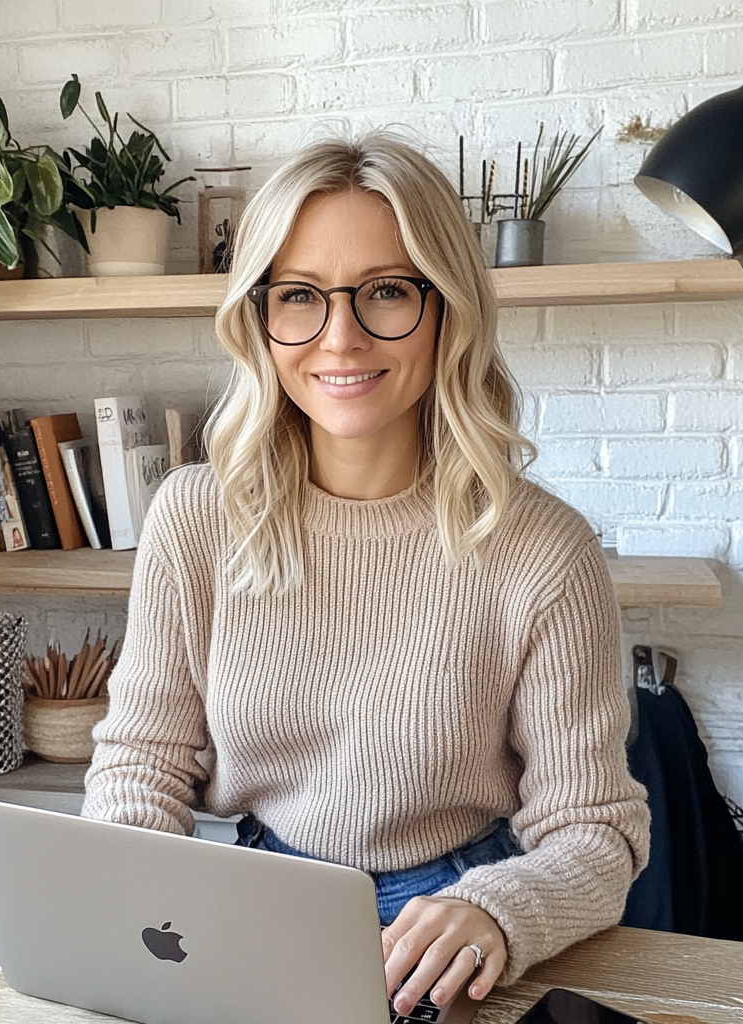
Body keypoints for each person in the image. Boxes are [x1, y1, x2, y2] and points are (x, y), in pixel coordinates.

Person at [81, 133, 650, 1015]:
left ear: (447, 308)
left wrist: (499, 910)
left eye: (387, 291)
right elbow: (142, 766)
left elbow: (595, 832)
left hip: (457, 920)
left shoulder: (545, 550)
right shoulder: (194, 517)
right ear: (259, 319)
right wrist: (124, 905)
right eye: (299, 296)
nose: (338, 338)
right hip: (252, 895)